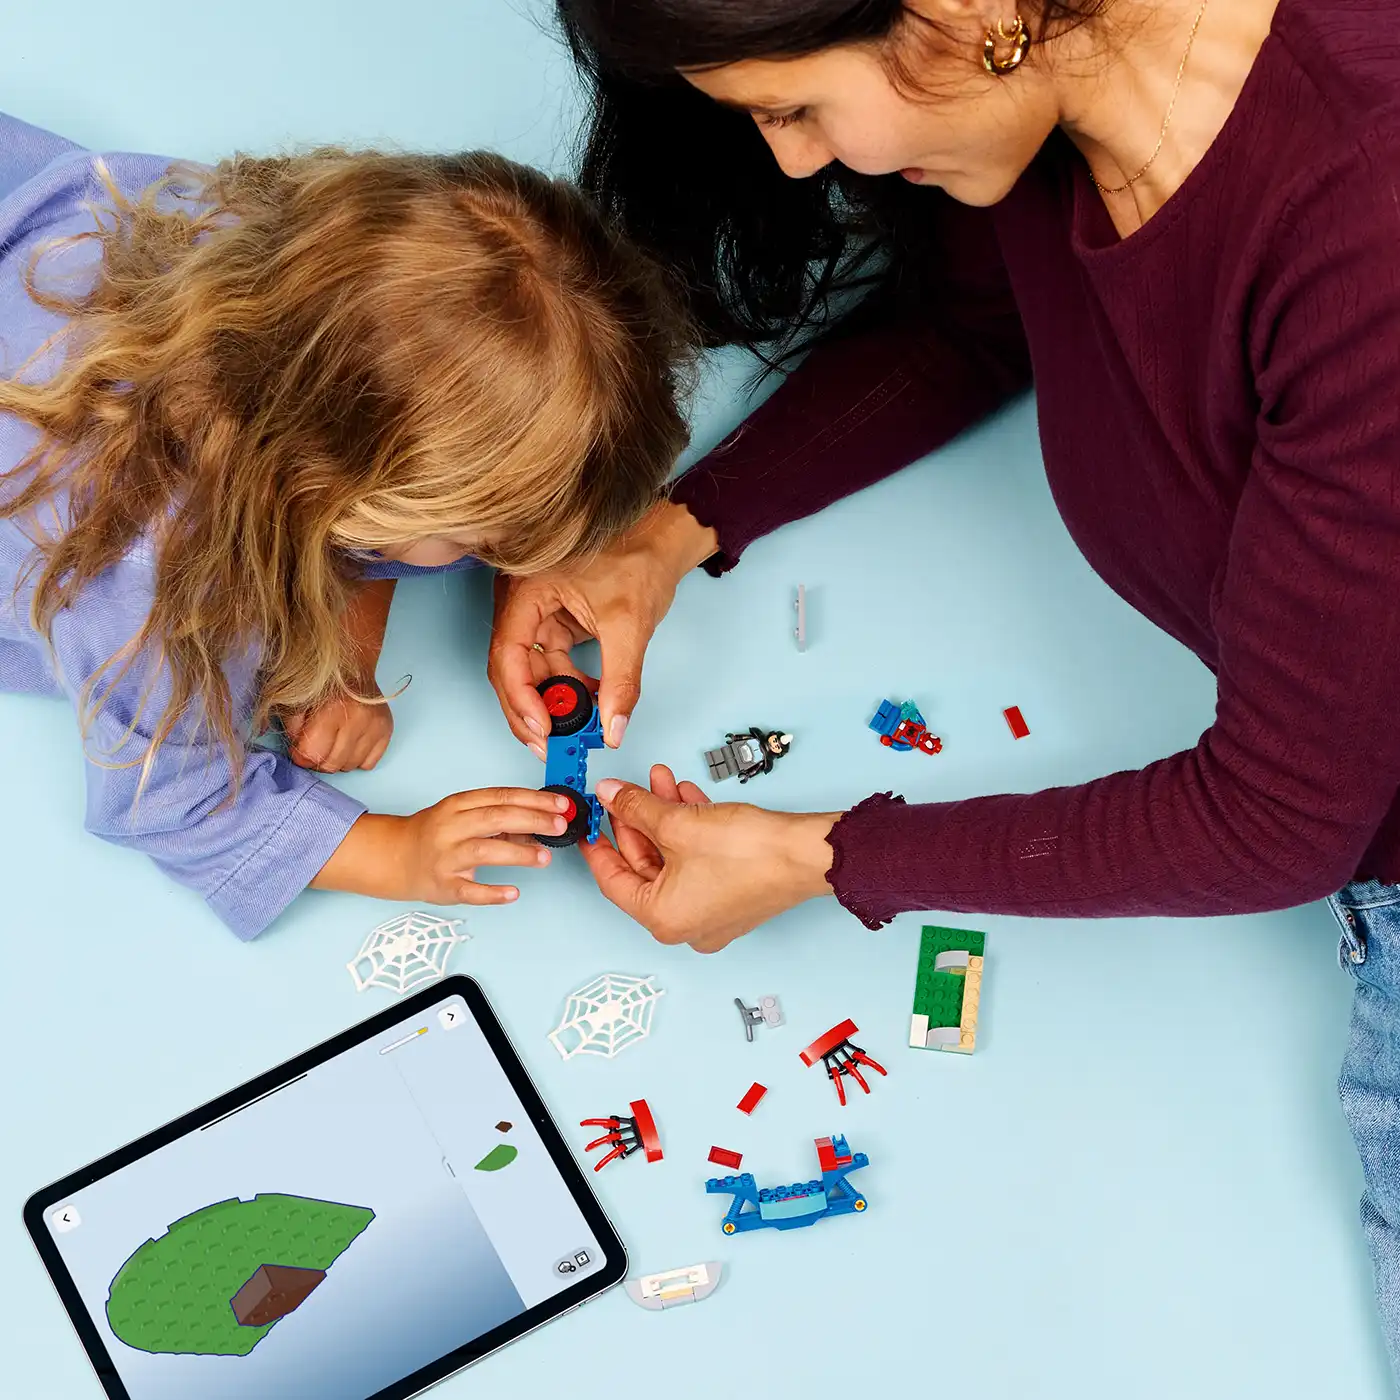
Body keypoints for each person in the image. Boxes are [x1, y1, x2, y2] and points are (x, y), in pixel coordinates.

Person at [484, 0, 1400, 1373]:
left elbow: (1279, 820)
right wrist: (668, 534)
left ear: (962, 12)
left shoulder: (1363, 231)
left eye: (794, 109)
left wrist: (820, 856)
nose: (796, 163)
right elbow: (981, 325)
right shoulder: (1054, 92)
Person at [0, 113, 693, 940]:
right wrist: (393, 852)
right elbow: (169, 801)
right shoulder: (147, 588)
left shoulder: (285, 258)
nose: (496, 559)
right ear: (344, 495)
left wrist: (349, 658)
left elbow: (363, 491)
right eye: (482, 538)